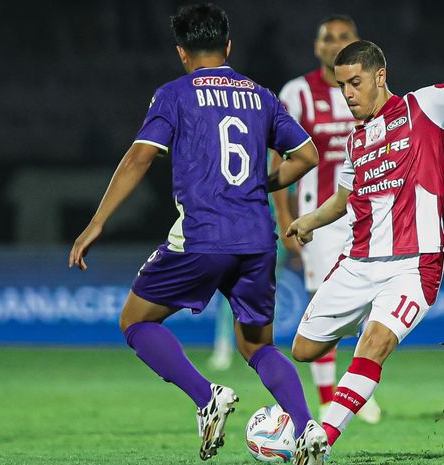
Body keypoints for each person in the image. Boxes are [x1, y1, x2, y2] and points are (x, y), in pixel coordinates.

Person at [68, 4, 329, 464]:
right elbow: (306, 155)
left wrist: (96, 222)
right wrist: (262, 184)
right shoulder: (261, 95)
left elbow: (139, 158)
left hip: (202, 237)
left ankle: (207, 396)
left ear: (182, 53)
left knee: (136, 321)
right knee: (258, 346)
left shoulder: (175, 94)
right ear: (228, 48)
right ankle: (307, 426)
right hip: (256, 240)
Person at [287, 39, 444, 455]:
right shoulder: (356, 140)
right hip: (357, 263)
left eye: (355, 82)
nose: (347, 94)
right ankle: (363, 316)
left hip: (413, 265)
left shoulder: (423, 107)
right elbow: (343, 198)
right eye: (341, 85)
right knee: (303, 350)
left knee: (374, 345)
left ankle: (319, 443)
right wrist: (309, 221)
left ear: (379, 76)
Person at [271, 14, 381, 424]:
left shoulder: (372, 91)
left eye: (344, 37)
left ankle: (355, 383)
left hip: (372, 216)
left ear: (358, 42)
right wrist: (285, 216)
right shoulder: (298, 93)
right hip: (322, 218)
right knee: (327, 304)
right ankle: (327, 397)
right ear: (317, 47)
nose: (335, 43)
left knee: (373, 303)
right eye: (328, 38)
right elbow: (280, 159)